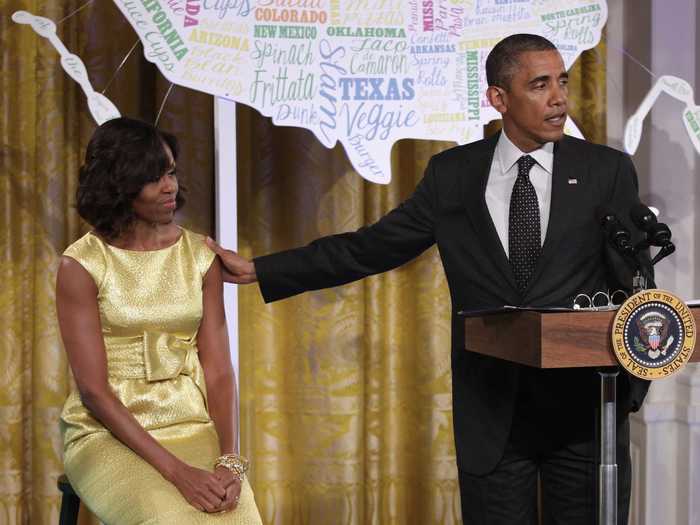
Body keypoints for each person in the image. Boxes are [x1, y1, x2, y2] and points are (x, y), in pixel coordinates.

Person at [207, 34, 650, 524]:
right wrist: (263, 269)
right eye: (540, 85)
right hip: (492, 416)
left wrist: (629, 393)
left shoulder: (605, 171)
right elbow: (370, 247)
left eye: (562, 82)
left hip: (583, 417)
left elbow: (635, 283)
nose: (559, 98)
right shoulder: (453, 175)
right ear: (499, 98)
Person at [56, 117, 262, 524]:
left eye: (170, 172)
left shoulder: (201, 257)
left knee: (239, 519)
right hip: (107, 433)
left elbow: (219, 369)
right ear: (119, 186)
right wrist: (178, 473)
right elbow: (93, 391)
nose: (169, 187)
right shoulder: (81, 264)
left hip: (188, 422)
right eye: (153, 178)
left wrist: (229, 460)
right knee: (171, 518)